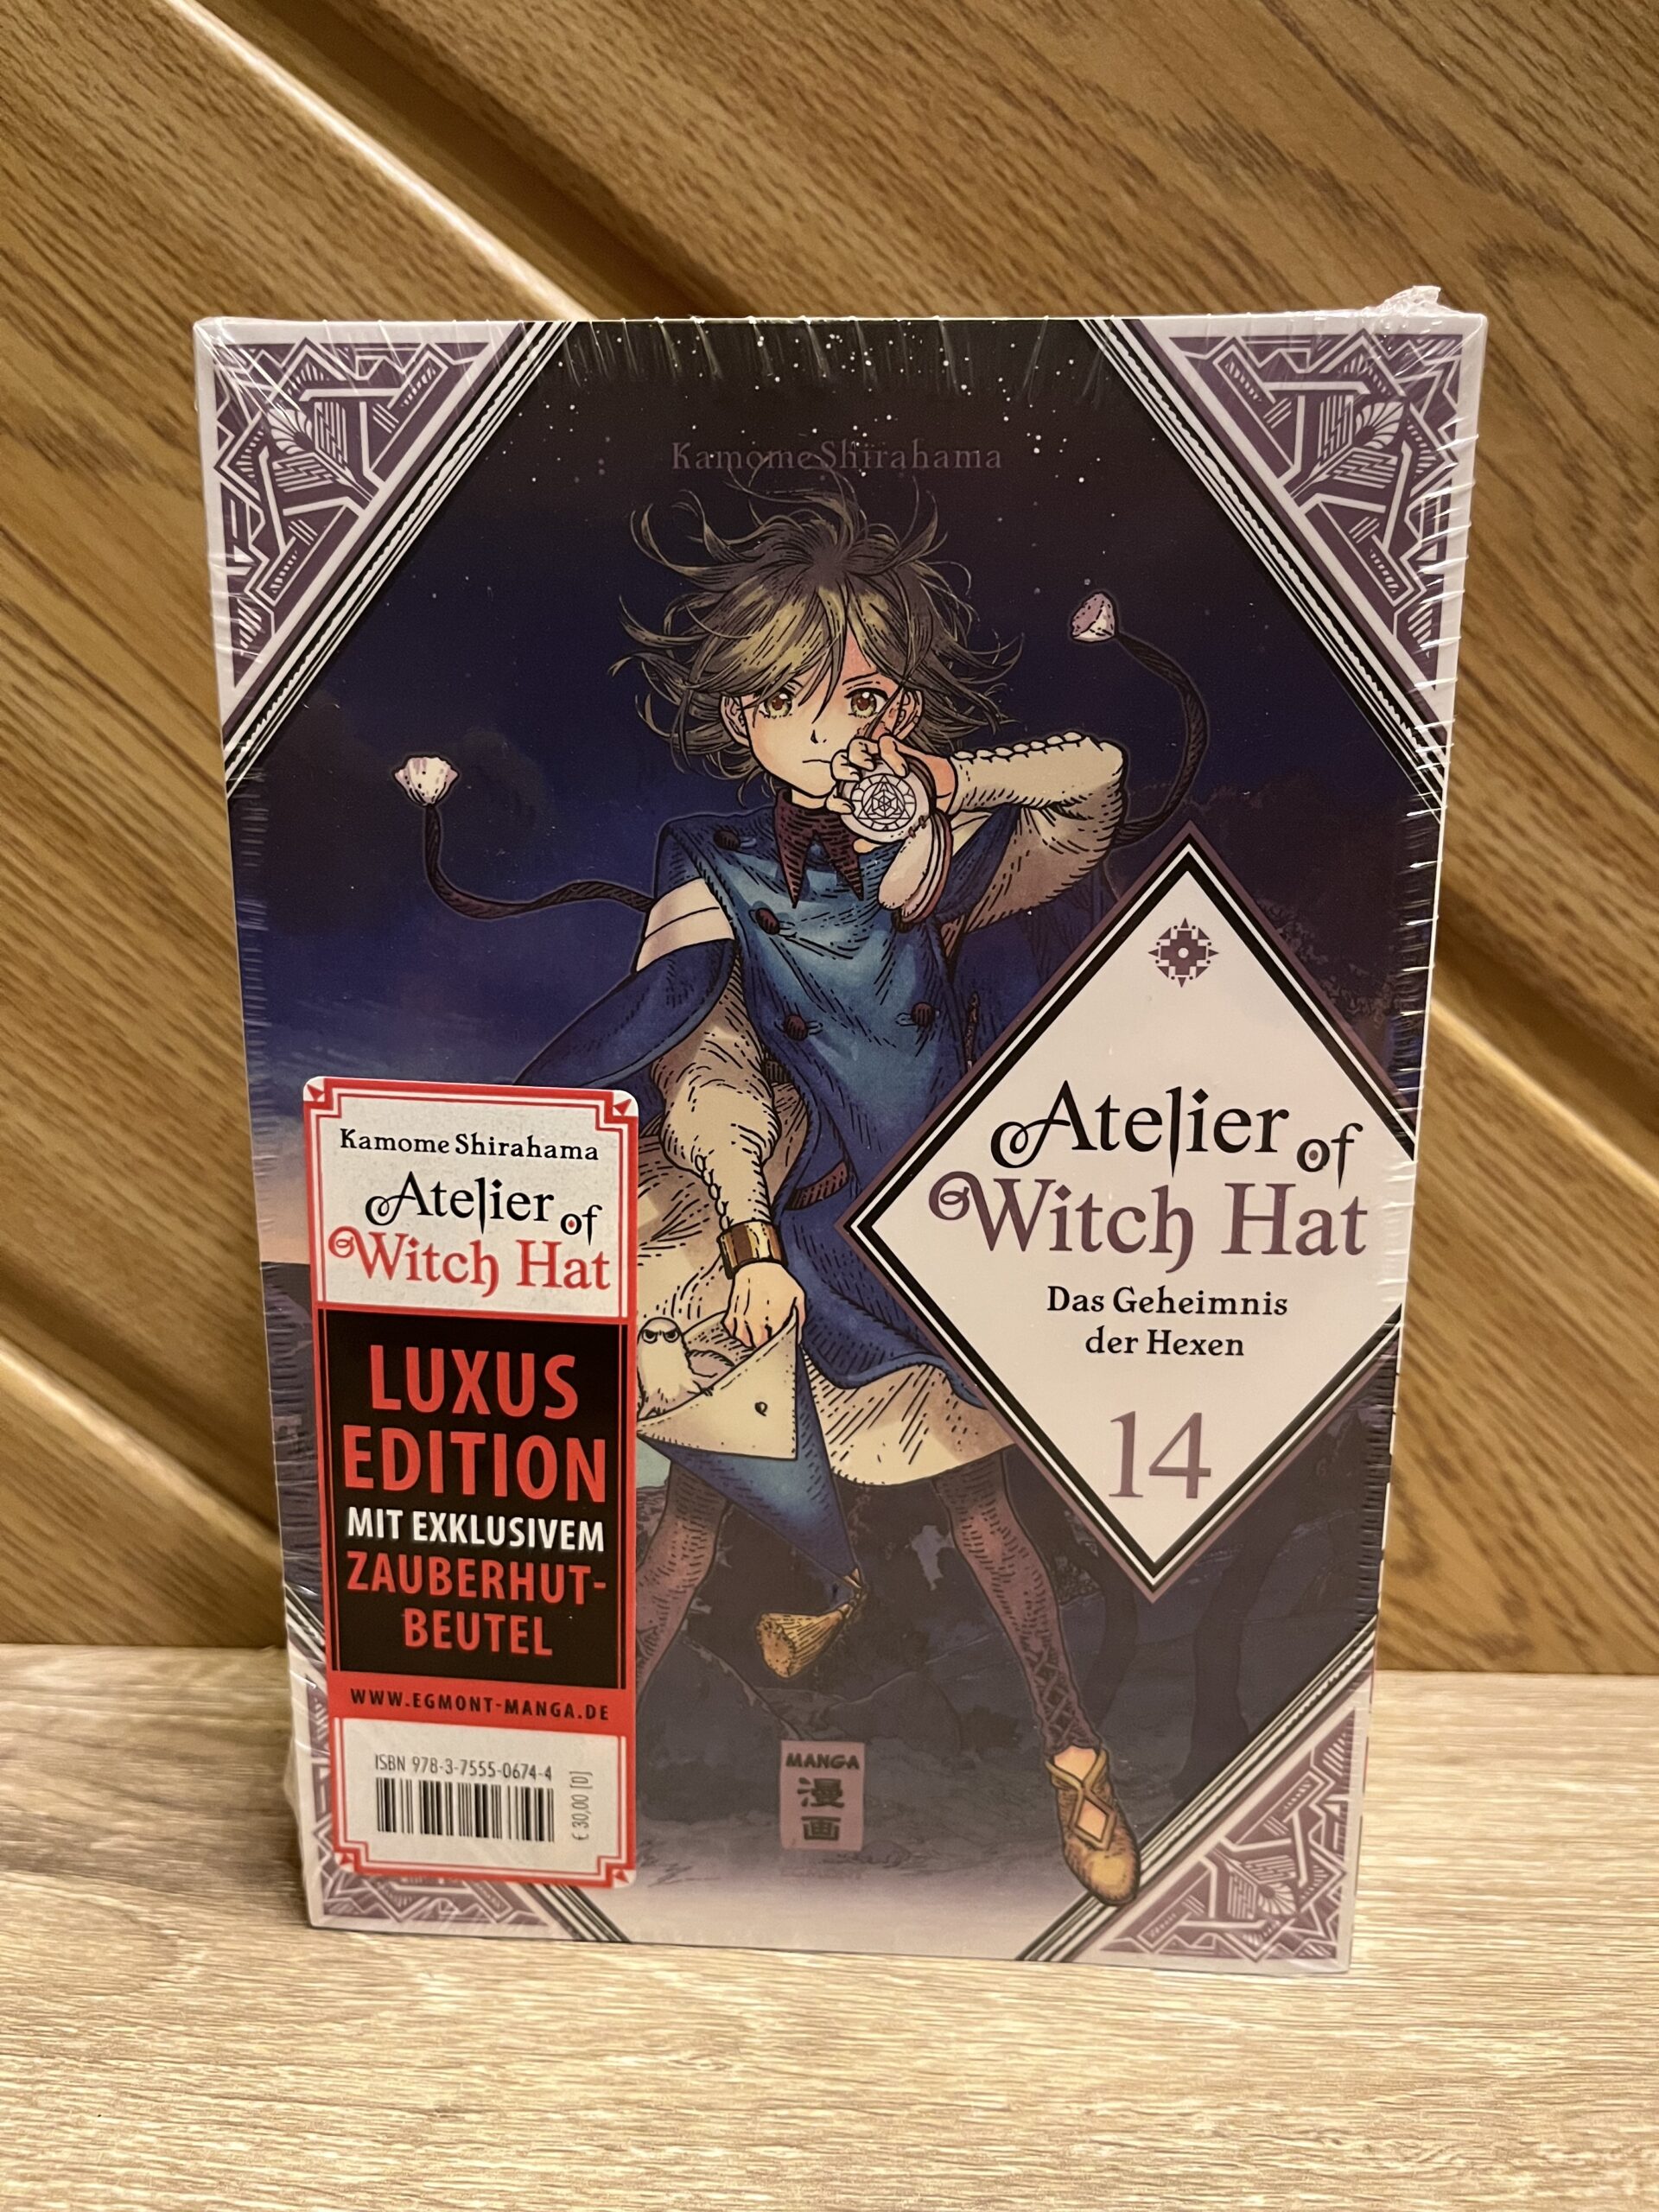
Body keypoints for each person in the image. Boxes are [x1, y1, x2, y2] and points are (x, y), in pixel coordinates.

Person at [405, 485, 1206, 1904]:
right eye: (788, 699)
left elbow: (1094, 780)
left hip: (920, 1242)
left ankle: (1076, 1765)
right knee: (688, 1528)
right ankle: (562, 1782)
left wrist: (945, 782)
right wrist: (747, 1241)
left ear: (899, 704)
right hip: (780, 1228)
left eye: (855, 693)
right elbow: (708, 1068)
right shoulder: (713, 875)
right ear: (746, 719)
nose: (825, 726)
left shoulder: (944, 870)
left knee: (983, 1511)